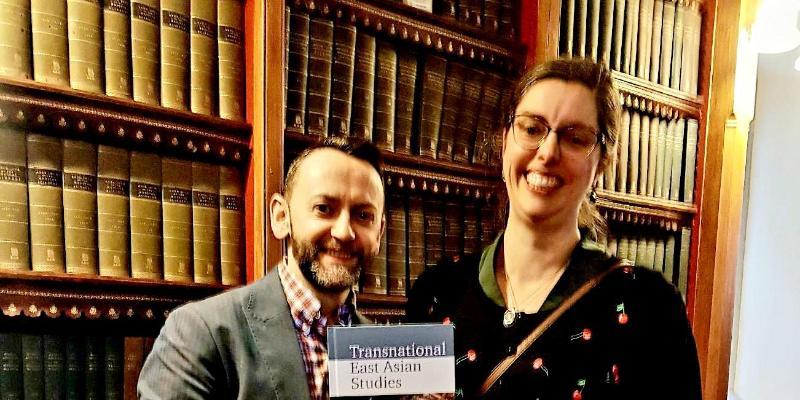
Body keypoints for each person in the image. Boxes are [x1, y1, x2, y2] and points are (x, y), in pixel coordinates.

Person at [406, 58, 701, 399]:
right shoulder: (437, 293)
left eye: (575, 138)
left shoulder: (649, 308)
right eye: (532, 129)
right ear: (505, 142)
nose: (547, 153)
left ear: (601, 164)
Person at [138, 138, 386, 399]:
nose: (344, 232)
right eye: (323, 209)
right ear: (281, 217)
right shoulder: (198, 334)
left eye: (363, 215)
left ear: (379, 233)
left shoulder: (388, 352)